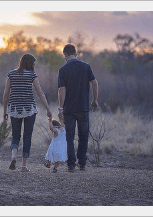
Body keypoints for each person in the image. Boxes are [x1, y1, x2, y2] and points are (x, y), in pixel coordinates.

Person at [3, 53, 52, 172]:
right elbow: (40, 93)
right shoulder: (32, 75)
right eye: (33, 63)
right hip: (29, 109)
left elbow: (5, 94)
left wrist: (4, 110)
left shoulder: (11, 74)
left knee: (15, 135)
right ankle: (24, 166)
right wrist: (48, 109)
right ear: (30, 64)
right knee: (27, 136)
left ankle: (14, 157)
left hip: (14, 109)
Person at [58, 44, 99, 172]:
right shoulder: (86, 66)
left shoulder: (63, 69)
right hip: (83, 107)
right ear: (76, 54)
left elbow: (61, 90)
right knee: (83, 136)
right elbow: (94, 82)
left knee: (69, 137)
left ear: (65, 54)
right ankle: (82, 163)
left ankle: (71, 165)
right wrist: (95, 100)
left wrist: (60, 108)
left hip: (69, 109)